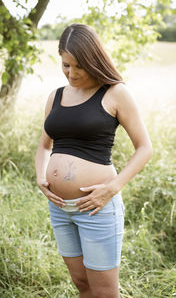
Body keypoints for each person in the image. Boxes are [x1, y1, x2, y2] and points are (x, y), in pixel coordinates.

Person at [35, 24, 152, 298]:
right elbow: (44, 146)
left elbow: (145, 148)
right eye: (66, 65)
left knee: (104, 292)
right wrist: (41, 177)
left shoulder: (115, 93)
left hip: (97, 209)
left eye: (79, 66)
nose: (72, 73)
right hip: (60, 209)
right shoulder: (56, 96)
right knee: (81, 283)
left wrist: (110, 189)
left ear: (93, 61)